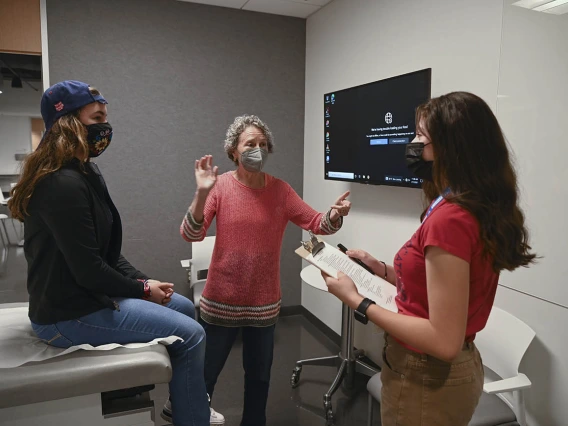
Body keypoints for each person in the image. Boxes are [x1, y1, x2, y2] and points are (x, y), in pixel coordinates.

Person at [322, 92, 537, 426]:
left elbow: (443, 340)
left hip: (427, 378)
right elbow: (435, 285)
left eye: (421, 136)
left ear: (452, 149)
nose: (412, 143)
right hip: (437, 375)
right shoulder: (467, 207)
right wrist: (381, 270)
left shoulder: (451, 219)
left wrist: (358, 301)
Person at [8, 81, 210, 426]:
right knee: (192, 335)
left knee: (184, 306)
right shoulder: (60, 184)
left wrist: (144, 281)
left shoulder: (85, 172)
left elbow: (107, 253)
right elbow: (89, 270)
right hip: (64, 314)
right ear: (69, 122)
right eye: (97, 117)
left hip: (87, 294)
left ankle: (181, 401)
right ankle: (193, 417)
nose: (105, 127)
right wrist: (143, 291)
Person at [179, 114, 351, 426]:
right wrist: (201, 192)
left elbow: (317, 223)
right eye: (250, 144)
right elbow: (191, 234)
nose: (257, 150)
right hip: (220, 302)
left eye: (262, 144)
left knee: (259, 380)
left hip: (263, 304)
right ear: (234, 151)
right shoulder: (219, 187)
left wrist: (335, 215)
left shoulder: (281, 191)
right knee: (204, 377)